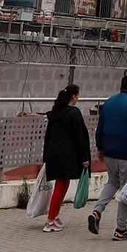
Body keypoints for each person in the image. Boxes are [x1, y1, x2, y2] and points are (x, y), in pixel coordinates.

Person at [88, 75, 127, 240]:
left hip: (109, 152)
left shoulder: (108, 103)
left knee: (112, 182)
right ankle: (121, 229)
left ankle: (97, 211)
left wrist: (100, 147)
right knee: (126, 190)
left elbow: (99, 128)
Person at [39, 84, 89, 233]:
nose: (78, 98)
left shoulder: (55, 112)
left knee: (63, 184)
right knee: (61, 186)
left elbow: (48, 136)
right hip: (67, 155)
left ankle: (55, 215)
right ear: (74, 96)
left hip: (54, 154)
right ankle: (50, 220)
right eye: (78, 95)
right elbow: (81, 137)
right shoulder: (74, 113)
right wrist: (85, 157)